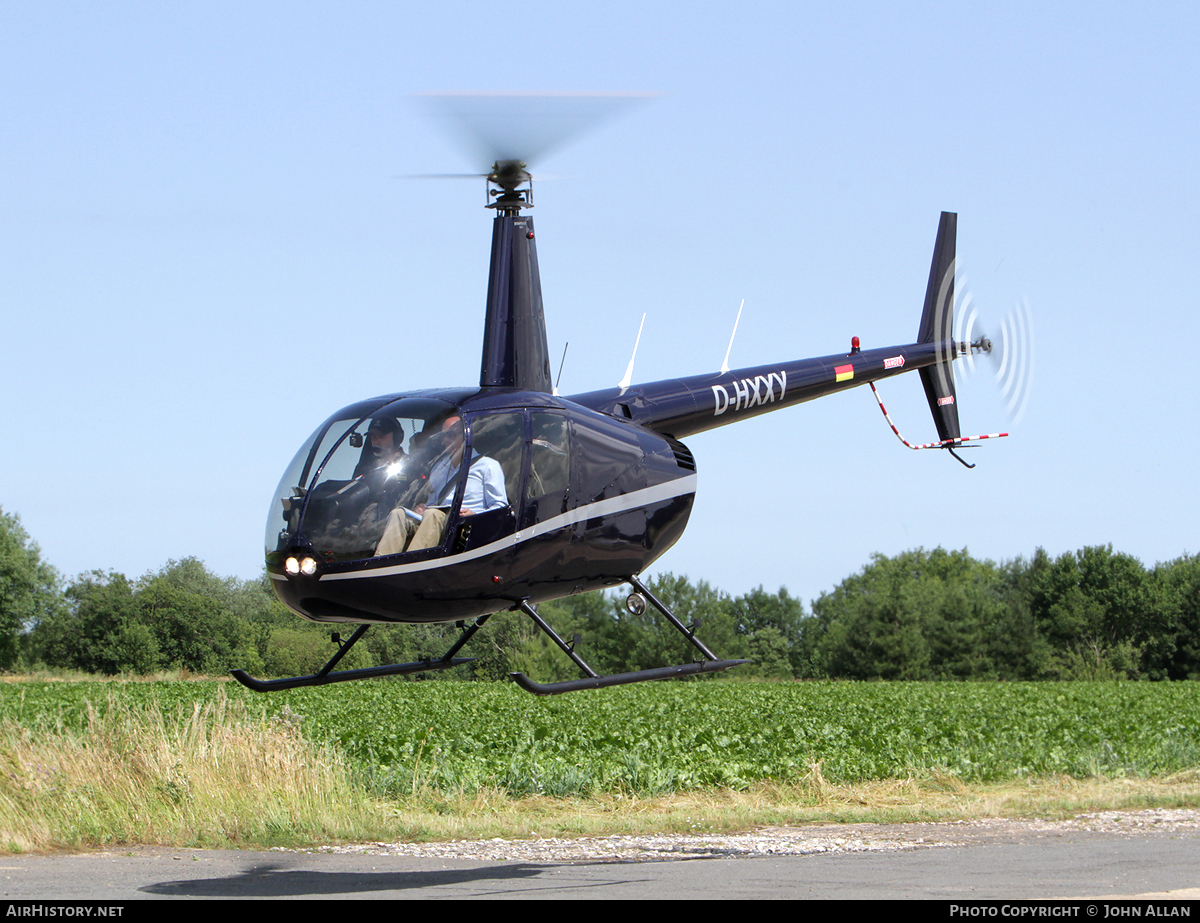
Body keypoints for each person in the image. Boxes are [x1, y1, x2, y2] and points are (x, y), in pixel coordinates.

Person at [374, 415, 507, 555]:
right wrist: (423, 508)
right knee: (398, 513)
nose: (445, 441)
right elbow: (434, 502)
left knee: (433, 514)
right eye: (443, 436)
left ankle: (412, 567)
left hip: (464, 527)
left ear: (466, 436)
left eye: (450, 436)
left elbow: (500, 506)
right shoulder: (439, 467)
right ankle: (377, 569)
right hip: (436, 522)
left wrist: (475, 514)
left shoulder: (488, 466)